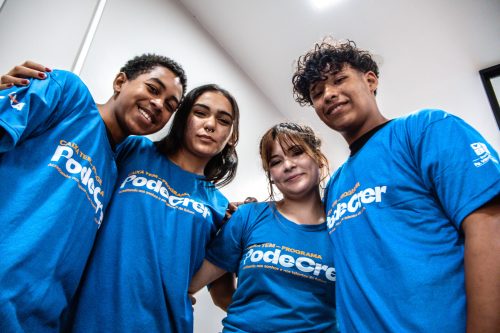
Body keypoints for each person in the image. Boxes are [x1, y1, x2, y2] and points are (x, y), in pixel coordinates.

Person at [292, 39, 500, 332]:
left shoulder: (425, 129)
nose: (329, 94)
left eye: (339, 79)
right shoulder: (336, 185)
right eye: (317, 92)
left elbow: (490, 224)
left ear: (370, 80)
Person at [0, 55, 186, 332]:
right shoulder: (68, 94)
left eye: (170, 105)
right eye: (153, 89)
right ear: (120, 81)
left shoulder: (117, 171)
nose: (159, 104)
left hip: (36, 322)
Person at [62, 84, 240, 333]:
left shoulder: (222, 209)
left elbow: (223, 296)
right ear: (183, 118)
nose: (210, 124)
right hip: (86, 319)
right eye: (200, 113)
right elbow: (81, 125)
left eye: (223, 120)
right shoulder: (134, 149)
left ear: (231, 136)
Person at [189, 122, 338, 333]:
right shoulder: (248, 216)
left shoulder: (344, 228)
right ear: (271, 175)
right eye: (276, 161)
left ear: (318, 158)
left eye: (297, 153)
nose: (288, 165)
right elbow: (193, 286)